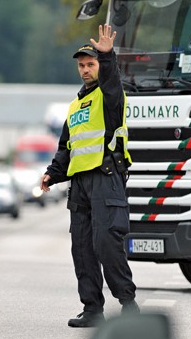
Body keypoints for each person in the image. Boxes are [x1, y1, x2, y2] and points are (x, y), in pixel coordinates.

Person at [40, 24, 139, 328]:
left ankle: (128, 305)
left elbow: (111, 82)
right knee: (82, 249)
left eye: (90, 64)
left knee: (107, 245)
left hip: (106, 178)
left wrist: (108, 57)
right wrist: (51, 174)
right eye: (81, 65)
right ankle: (92, 309)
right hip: (80, 185)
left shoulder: (109, 97)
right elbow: (66, 148)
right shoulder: (74, 107)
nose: (85, 69)